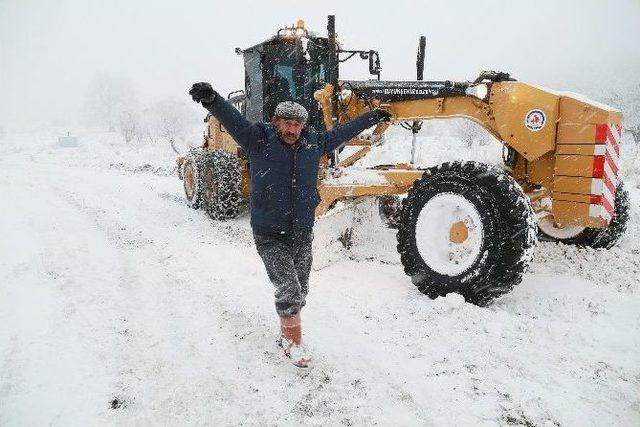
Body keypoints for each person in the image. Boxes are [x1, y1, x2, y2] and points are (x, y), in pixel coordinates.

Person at [189, 82, 391, 367]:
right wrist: (212, 99)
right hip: (269, 233)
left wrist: (373, 116)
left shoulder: (314, 142)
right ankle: (293, 344)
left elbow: (343, 132)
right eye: (287, 123)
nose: (292, 130)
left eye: (297, 124)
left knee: (301, 289)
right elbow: (232, 119)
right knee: (290, 288)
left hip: (301, 231)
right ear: (276, 121)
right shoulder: (258, 139)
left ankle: (286, 332)